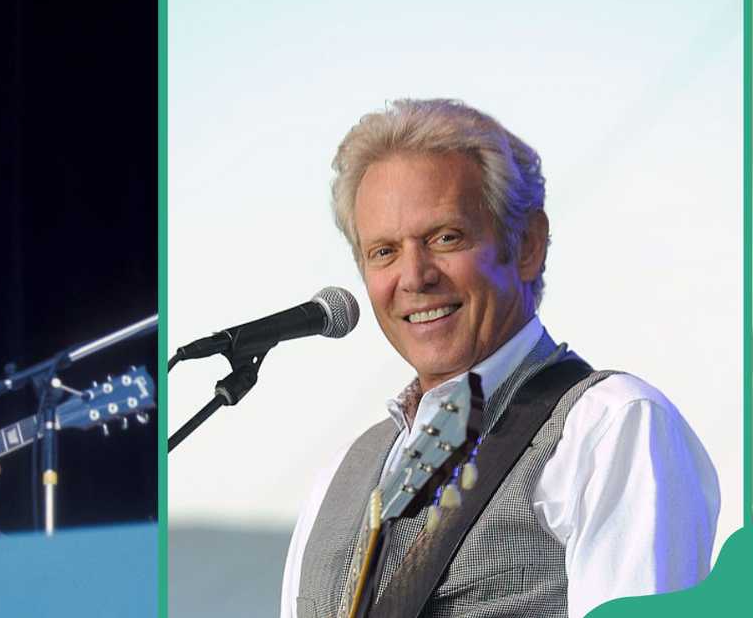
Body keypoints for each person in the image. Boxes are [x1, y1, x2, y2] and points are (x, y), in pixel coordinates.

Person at [280, 99, 719, 618]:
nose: (415, 276)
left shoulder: (610, 427)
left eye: (446, 237)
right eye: (384, 251)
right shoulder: (339, 476)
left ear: (528, 244)